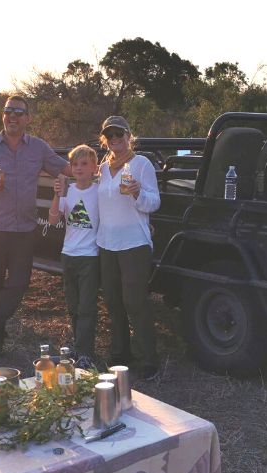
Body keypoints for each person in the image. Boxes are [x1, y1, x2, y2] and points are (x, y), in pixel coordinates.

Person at [0, 96, 70, 360]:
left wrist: (101, 167)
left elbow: (66, 168)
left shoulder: (38, 148)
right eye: (8, 111)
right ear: (3, 116)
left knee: (19, 284)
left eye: (18, 112)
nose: (12, 116)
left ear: (28, 118)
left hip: (24, 229)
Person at [96, 116, 161, 381]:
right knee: (113, 301)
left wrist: (137, 194)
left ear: (128, 135)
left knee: (135, 301)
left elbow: (154, 203)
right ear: (105, 139)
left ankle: (149, 359)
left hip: (134, 243)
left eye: (119, 134)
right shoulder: (102, 167)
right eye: (109, 135)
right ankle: (120, 355)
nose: (115, 139)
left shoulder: (141, 164)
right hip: (107, 243)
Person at [49, 145, 101, 370]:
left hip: (90, 256)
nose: (79, 168)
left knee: (87, 306)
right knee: (73, 305)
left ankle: (86, 354)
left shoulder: (99, 191)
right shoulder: (67, 191)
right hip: (68, 254)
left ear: (94, 168)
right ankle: (80, 347)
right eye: (75, 164)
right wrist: (56, 194)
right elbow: (52, 220)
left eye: (84, 164)